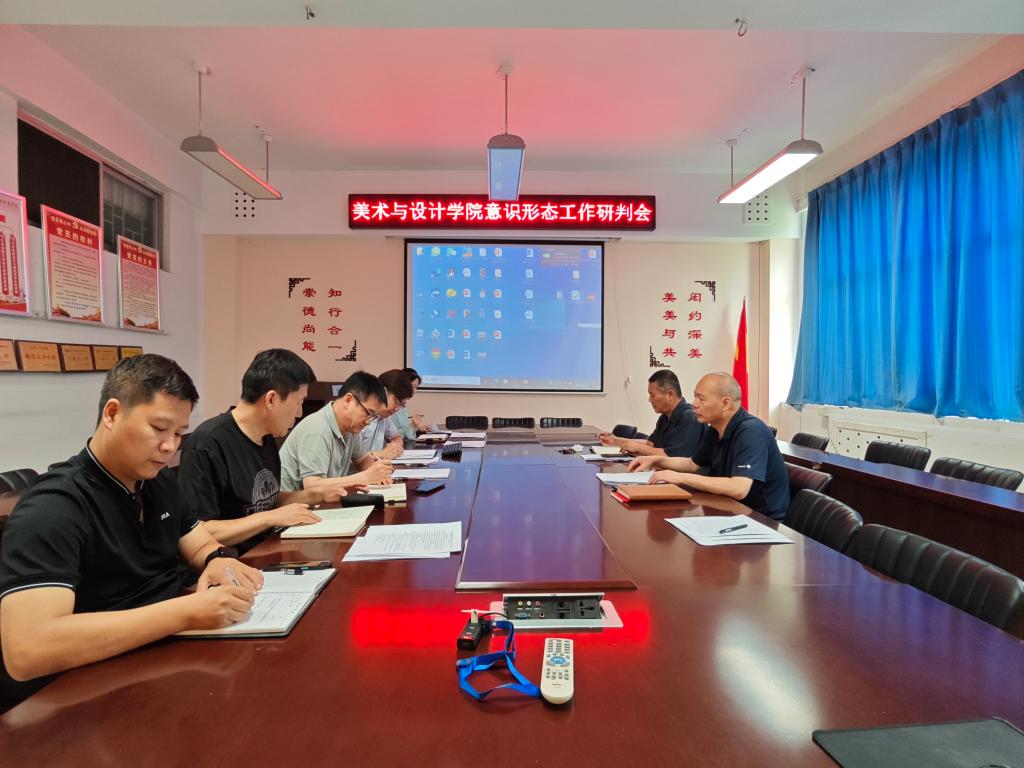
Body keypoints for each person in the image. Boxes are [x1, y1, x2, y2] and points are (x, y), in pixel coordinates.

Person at [0, 354, 263, 710]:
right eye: (159, 428)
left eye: (179, 433)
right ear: (112, 414)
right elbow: (28, 650)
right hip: (86, 691)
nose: (170, 446)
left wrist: (216, 559)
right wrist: (186, 612)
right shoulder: (53, 508)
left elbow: (196, 539)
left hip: (162, 660)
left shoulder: (156, 481)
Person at [177, 349, 344, 553]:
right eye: (299, 402)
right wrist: (270, 518)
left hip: (268, 548)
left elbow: (266, 501)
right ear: (271, 399)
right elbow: (196, 532)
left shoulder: (266, 437)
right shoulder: (207, 444)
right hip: (232, 561)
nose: (300, 413)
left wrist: (315, 495)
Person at [628, 372, 790, 520]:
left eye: (701, 399)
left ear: (725, 403)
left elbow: (739, 488)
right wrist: (655, 460)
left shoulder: (751, 431)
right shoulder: (715, 428)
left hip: (762, 520)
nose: (694, 404)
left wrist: (681, 477)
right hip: (730, 510)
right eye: (695, 397)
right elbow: (692, 464)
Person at [278, 370, 393, 492]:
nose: (368, 422)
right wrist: (365, 477)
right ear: (348, 400)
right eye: (368, 413)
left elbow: (362, 460)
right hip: (293, 501)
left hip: (326, 500)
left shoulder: (351, 427)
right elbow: (313, 486)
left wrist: (378, 473)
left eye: (373, 417)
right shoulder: (318, 428)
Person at [599, 370, 704, 457]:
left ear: (670, 394)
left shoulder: (690, 418)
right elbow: (650, 445)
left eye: (653, 395)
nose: (650, 400)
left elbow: (672, 456)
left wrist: (638, 447)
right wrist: (614, 440)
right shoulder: (665, 417)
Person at [359, 369, 414, 460]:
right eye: (396, 402)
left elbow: (397, 436)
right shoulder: (360, 415)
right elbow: (350, 458)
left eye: (401, 405)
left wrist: (395, 447)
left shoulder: (384, 417)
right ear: (383, 392)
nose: (396, 409)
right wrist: (381, 454)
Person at [390, 367, 428, 441]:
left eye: (416, 387)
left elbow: (402, 428)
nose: (415, 391)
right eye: (413, 387)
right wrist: (413, 426)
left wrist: (417, 428)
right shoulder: (390, 407)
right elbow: (393, 436)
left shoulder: (403, 405)